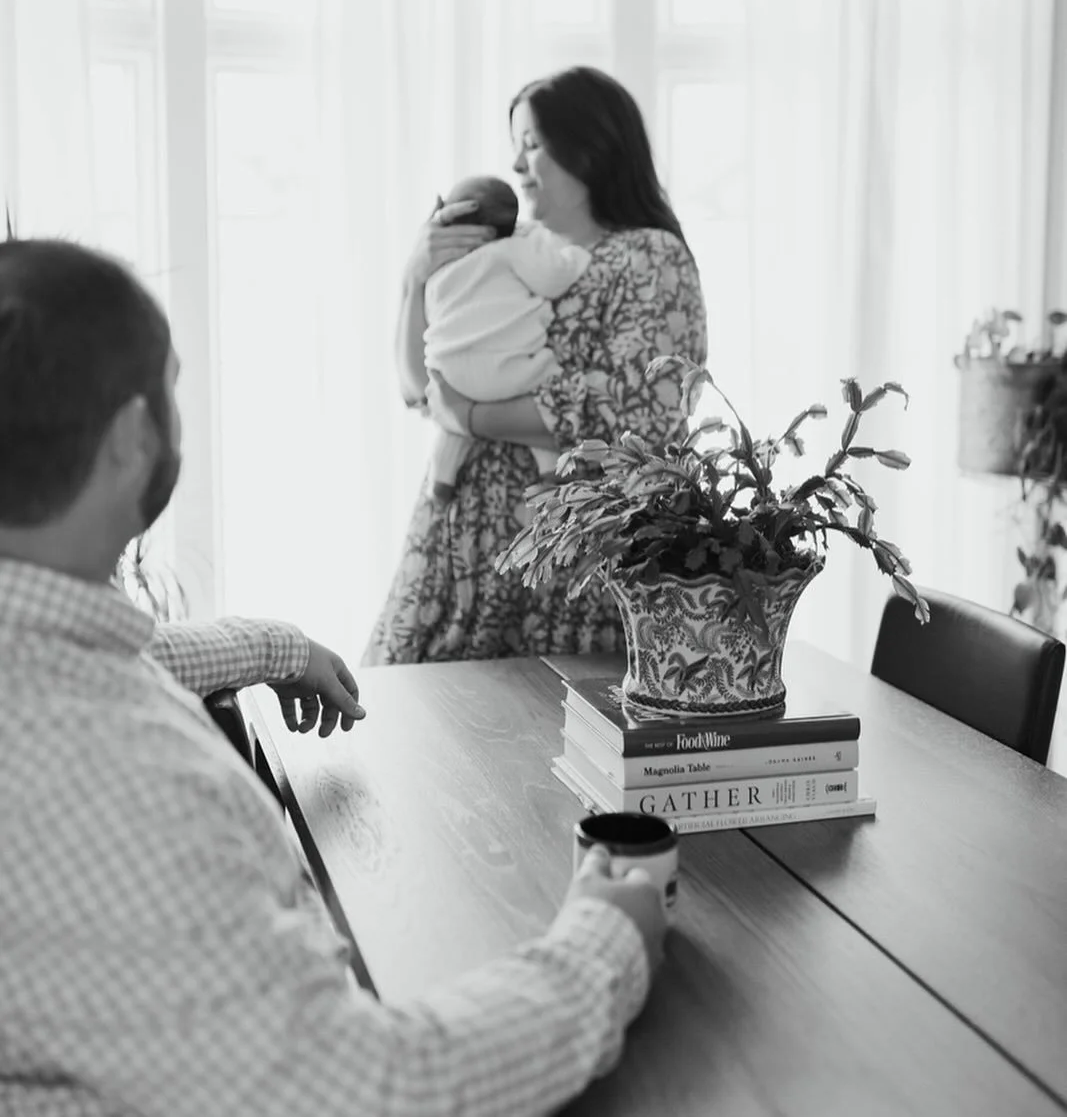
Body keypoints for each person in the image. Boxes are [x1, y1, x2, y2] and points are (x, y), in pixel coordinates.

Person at [0, 236, 666, 1117]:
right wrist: (606, 943)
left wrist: (276, 648)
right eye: (173, 388)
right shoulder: (110, 785)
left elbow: (116, 658)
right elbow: (378, 1090)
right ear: (130, 437)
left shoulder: (41, 658)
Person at [366, 65, 708, 665]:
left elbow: (640, 415)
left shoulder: (650, 256)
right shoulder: (506, 246)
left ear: (590, 146)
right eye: (514, 149)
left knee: (544, 740)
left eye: (532, 145)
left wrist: (473, 416)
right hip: (457, 544)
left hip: (568, 563)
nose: (518, 167)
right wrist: (412, 281)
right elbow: (420, 387)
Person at [422, 173, 592, 505]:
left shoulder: (439, 270)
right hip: (508, 372)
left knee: (453, 427)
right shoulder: (511, 250)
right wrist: (576, 256)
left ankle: (441, 478)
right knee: (551, 385)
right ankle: (549, 468)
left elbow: (433, 316)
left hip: (450, 375)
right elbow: (553, 278)